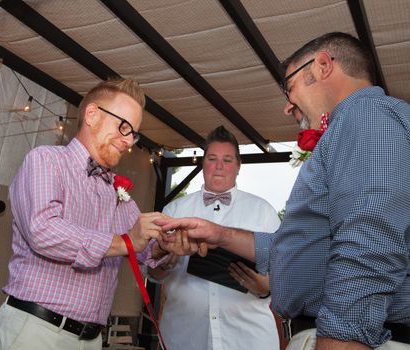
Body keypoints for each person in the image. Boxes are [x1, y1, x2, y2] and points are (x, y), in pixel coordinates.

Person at [157, 32, 410, 350]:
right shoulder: (356, 125)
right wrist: (220, 235)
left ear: (321, 66)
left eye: (289, 87)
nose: (287, 107)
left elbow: (370, 241)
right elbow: (307, 251)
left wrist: (341, 339)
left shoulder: (366, 116)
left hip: (348, 337)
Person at [0, 78, 175, 350]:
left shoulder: (118, 193)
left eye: (133, 134)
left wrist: (168, 247)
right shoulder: (47, 161)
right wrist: (124, 241)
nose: (127, 141)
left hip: (91, 340)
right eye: (123, 127)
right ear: (92, 115)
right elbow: (42, 230)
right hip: (36, 332)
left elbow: (145, 252)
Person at [149, 125, 281, 350]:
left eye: (228, 160)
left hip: (249, 340)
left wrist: (266, 289)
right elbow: (151, 272)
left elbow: (288, 274)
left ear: (239, 167)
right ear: (203, 164)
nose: (219, 166)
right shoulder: (173, 211)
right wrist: (166, 260)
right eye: (212, 158)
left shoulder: (264, 211)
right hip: (185, 338)